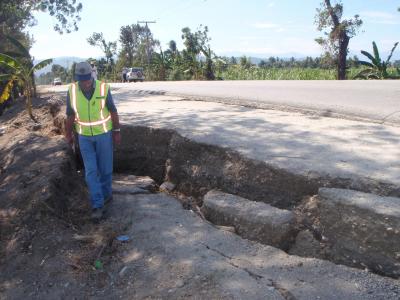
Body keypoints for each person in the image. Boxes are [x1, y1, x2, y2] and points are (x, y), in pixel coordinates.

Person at [65, 61, 121, 221]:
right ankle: (97, 205)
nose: (86, 82)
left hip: (104, 135)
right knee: (90, 171)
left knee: (105, 169)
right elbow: (70, 115)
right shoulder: (72, 90)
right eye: (82, 80)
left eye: (88, 78)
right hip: (84, 138)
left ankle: (107, 195)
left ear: (92, 75)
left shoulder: (103, 88)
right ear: (77, 78)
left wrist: (116, 131)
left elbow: (113, 111)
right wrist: (68, 134)